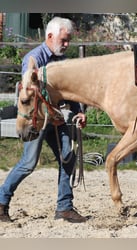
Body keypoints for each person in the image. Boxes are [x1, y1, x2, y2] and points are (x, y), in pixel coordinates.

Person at [0, 17, 87, 223]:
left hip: (58, 119)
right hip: (37, 120)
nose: (67, 45)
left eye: (68, 41)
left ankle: (64, 207)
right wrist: (53, 112)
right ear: (50, 36)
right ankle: (1, 201)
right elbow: (31, 93)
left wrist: (79, 111)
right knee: (28, 164)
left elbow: (70, 90)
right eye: (64, 40)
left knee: (68, 158)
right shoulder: (34, 59)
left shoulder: (62, 61)